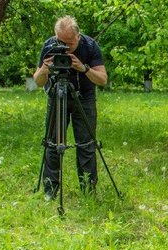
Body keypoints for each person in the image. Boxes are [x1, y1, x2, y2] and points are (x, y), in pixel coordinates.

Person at [33, 15, 108, 199]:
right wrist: (44, 68)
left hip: (84, 97)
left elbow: (103, 80)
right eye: (61, 42)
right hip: (57, 96)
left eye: (69, 43)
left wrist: (84, 68)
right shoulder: (50, 46)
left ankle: (88, 189)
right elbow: (38, 81)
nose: (65, 48)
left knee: (86, 143)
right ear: (55, 36)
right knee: (52, 143)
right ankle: (50, 189)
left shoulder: (90, 46)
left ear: (78, 36)